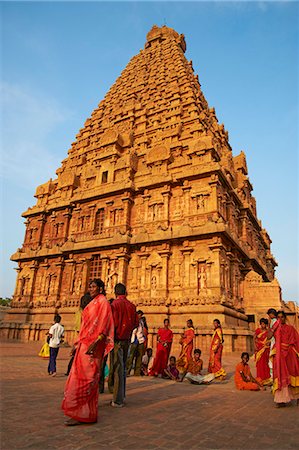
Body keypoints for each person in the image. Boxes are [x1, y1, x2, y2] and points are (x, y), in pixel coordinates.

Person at [62, 279, 114, 425]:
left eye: (94, 286)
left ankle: (84, 413)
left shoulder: (103, 302)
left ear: (101, 288)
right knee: (78, 377)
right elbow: (85, 325)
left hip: (93, 347)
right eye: (90, 286)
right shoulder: (93, 303)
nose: (91, 289)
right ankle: (82, 412)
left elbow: (104, 326)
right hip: (84, 344)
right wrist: (77, 344)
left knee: (89, 378)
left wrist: (95, 343)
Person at [108, 283, 138, 407]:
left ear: (115, 293)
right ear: (125, 292)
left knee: (117, 368)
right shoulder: (132, 306)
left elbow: (113, 323)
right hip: (127, 339)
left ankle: (117, 399)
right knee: (123, 367)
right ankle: (121, 393)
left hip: (117, 340)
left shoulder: (114, 305)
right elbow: (136, 323)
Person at [270, 310, 299, 407]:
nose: (280, 319)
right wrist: (274, 327)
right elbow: (269, 336)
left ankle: (297, 396)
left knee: (293, 374)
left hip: (290, 354)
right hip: (279, 355)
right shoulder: (276, 329)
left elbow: (296, 341)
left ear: (285, 318)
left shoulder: (290, 328)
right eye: (278, 317)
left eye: (282, 317)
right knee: (280, 375)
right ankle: (281, 400)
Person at [65, 293, 92, 376]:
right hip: (86, 339)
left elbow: (77, 328)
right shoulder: (86, 312)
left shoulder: (80, 312)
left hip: (82, 338)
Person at [126, 310, 148, 376]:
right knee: (131, 357)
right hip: (134, 340)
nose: (140, 316)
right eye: (139, 314)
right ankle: (127, 371)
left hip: (140, 340)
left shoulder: (141, 322)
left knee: (139, 356)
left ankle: (137, 372)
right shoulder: (133, 321)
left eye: (141, 315)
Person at [254, 318, 271, 385]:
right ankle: (259, 378)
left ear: (266, 325)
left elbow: (270, 339)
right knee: (259, 364)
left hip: (266, 349)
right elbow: (254, 338)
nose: (262, 325)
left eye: (264, 324)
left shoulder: (268, 331)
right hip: (259, 348)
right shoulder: (258, 330)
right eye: (261, 324)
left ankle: (266, 379)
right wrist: (255, 346)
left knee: (265, 363)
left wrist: (268, 343)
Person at [267, 308, 278, 380]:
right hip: (274, 341)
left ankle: (272, 376)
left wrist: (269, 339)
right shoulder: (275, 321)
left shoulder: (275, 322)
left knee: (272, 360)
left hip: (274, 342)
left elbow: (271, 333)